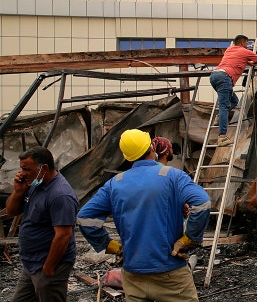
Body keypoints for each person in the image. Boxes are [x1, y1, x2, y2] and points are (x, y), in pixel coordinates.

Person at [77, 129, 211, 301]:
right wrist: (189, 238)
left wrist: (112, 246)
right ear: (151, 148)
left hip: (134, 276)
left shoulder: (115, 184)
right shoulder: (172, 176)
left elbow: (85, 218)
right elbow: (202, 203)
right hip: (171, 274)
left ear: (127, 157)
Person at [5, 146, 78, 302]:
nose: (22, 173)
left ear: (43, 168)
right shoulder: (34, 185)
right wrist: (18, 192)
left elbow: (63, 235)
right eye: (21, 169)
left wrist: (48, 269)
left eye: (27, 169)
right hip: (31, 263)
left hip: (49, 264)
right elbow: (11, 211)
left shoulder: (60, 195)